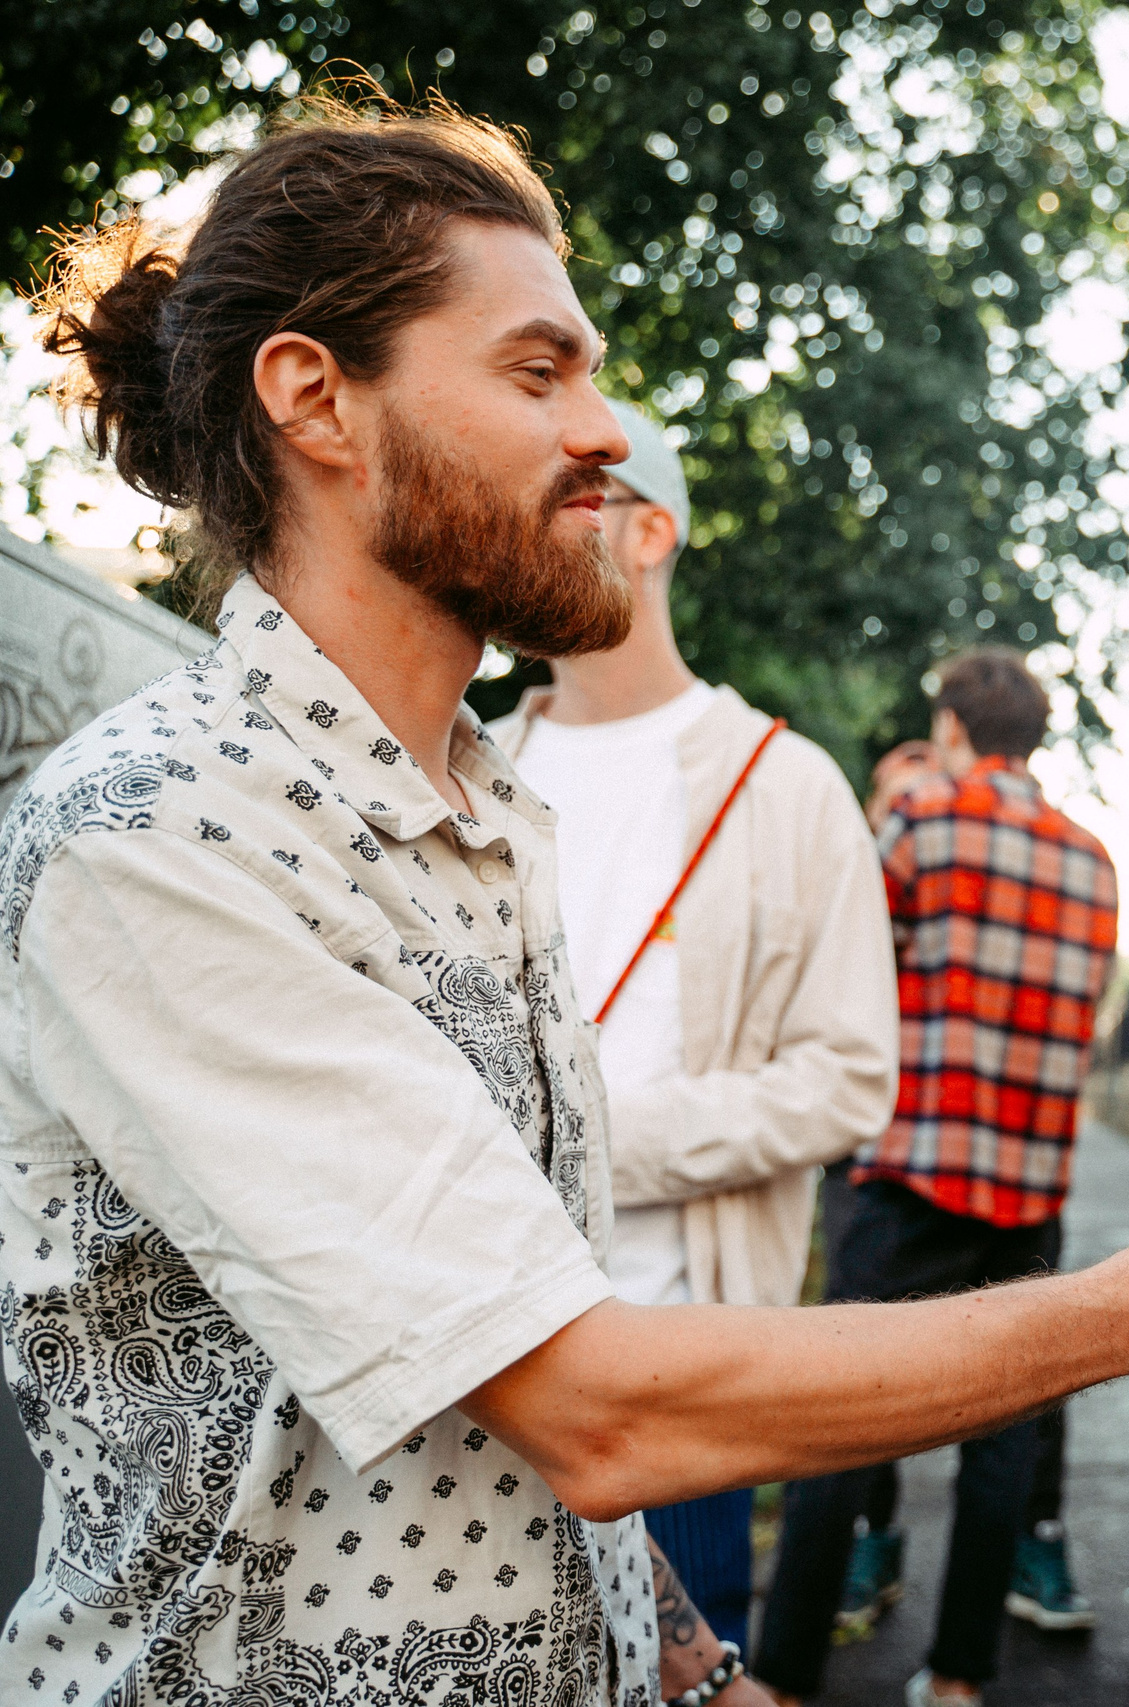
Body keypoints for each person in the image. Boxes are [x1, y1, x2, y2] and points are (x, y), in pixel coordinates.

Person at [0, 94, 1129, 1707]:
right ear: (316, 398)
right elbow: (594, 1406)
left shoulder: (481, 814)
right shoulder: (158, 835)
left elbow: (490, 1403)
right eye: (537, 372)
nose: (605, 432)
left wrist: (696, 1660)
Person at [487, 396, 899, 1650]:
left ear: (650, 531)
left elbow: (848, 1079)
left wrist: (592, 1141)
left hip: (678, 1374)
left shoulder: (786, 784)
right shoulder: (462, 765)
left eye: (567, 499)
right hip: (468, 1365)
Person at [757, 649, 1118, 1707]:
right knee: (1004, 1435)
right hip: (1030, 1185)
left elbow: (847, 975)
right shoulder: (1093, 858)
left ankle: (785, 1679)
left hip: (911, 1169)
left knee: (838, 1419)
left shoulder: (919, 824)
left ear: (952, 729)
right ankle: (958, 1675)